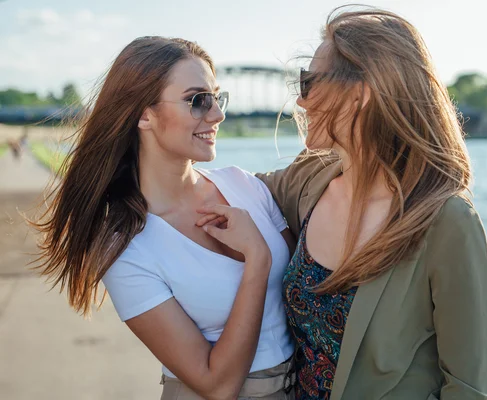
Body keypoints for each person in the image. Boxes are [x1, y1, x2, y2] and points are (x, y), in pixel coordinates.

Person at [32, 36, 295, 400]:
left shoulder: (244, 185)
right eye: (198, 101)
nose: (217, 114)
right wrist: (257, 258)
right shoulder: (125, 247)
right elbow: (217, 385)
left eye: (217, 98)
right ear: (144, 114)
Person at [254, 7, 487, 400]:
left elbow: (468, 386)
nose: (300, 101)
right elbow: (220, 192)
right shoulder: (311, 178)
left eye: (308, 82)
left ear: (361, 92)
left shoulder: (446, 221)